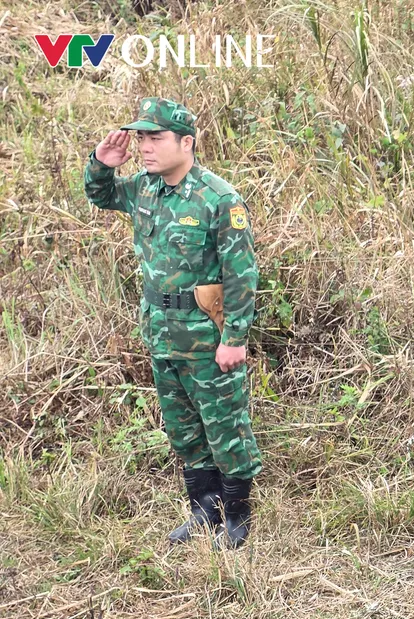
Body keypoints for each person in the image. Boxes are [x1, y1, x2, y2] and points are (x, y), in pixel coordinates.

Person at [85, 97, 261, 549]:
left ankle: (236, 514)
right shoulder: (145, 189)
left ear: (186, 142)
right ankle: (203, 508)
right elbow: (100, 195)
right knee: (183, 426)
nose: (145, 146)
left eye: (155, 137)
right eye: (141, 137)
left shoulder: (217, 199)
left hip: (206, 334)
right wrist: (102, 165)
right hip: (161, 332)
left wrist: (235, 338)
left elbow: (241, 275)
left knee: (224, 423)